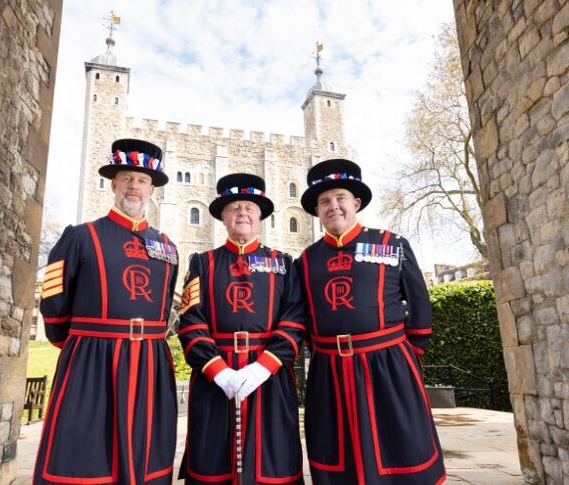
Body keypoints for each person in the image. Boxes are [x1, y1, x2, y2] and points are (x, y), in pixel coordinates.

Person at [34, 138, 179, 485]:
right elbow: (53, 300)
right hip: (91, 359)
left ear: (152, 190)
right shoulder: (81, 236)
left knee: (147, 455)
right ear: (113, 183)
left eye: (142, 180)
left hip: (150, 361)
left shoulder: (168, 246)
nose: (134, 186)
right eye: (127, 177)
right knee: (84, 453)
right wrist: (78, 347)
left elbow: (166, 303)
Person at [295, 158, 446, 485]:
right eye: (324, 202)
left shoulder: (391, 243)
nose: (333, 206)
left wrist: (408, 355)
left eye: (340, 198)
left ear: (356, 203)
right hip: (330, 371)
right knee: (336, 452)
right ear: (317, 211)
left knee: (401, 448)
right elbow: (301, 314)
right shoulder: (305, 260)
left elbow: (418, 303)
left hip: (388, 366)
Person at [177, 173, 306, 484]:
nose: (242, 213)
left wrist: (263, 368)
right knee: (212, 460)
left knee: (272, 462)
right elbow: (190, 319)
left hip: (270, 379)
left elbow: (296, 318)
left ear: (260, 216)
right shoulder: (203, 263)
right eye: (234, 207)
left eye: (249, 207)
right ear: (223, 216)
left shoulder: (284, 264)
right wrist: (218, 370)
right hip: (215, 379)